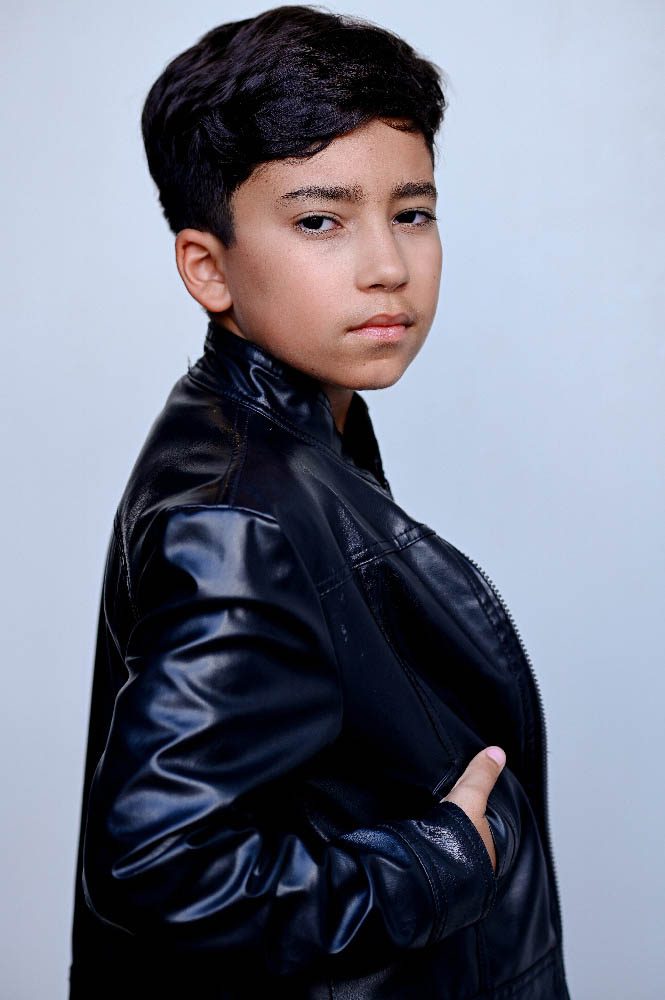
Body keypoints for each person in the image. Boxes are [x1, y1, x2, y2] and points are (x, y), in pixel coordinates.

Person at [69, 6, 570, 998]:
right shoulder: (238, 517)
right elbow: (160, 870)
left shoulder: (290, 445)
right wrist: (439, 864)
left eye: (411, 212)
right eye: (318, 221)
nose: (387, 265)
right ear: (208, 267)